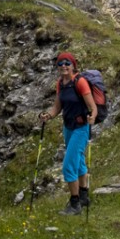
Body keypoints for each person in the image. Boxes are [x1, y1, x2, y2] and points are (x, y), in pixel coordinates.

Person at [39, 51, 96, 215]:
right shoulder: (61, 83)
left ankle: (74, 203)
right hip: (68, 127)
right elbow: (58, 107)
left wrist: (92, 117)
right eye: (60, 63)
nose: (63, 66)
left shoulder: (80, 82)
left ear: (73, 66)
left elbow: (92, 107)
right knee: (78, 162)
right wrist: (48, 115)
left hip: (81, 128)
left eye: (67, 63)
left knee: (68, 166)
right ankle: (84, 196)